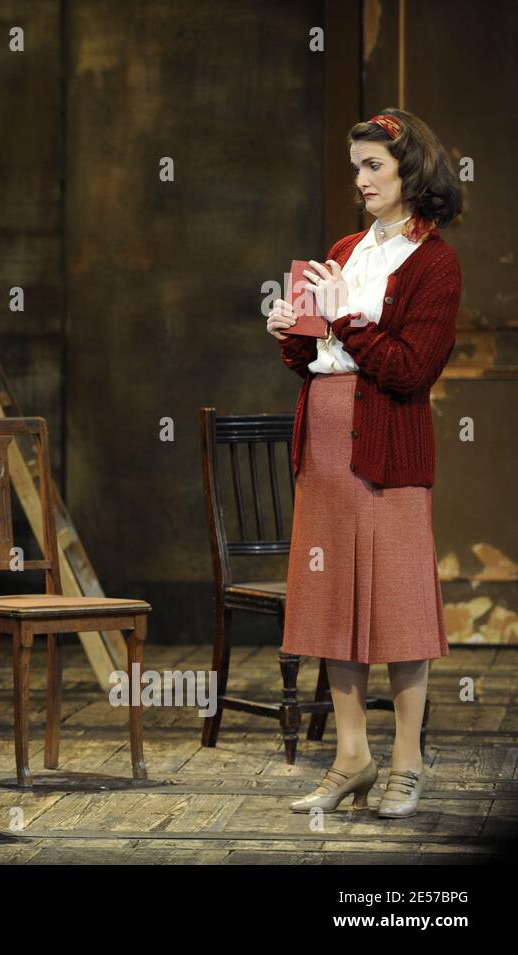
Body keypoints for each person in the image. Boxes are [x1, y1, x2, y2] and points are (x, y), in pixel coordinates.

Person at [266, 109, 464, 819]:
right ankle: (352, 757)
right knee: (332, 600)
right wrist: (294, 334)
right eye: (356, 167)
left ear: (410, 170)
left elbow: (410, 369)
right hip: (324, 442)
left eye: (372, 165)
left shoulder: (434, 261)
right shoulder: (346, 248)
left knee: (399, 603)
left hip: (388, 444)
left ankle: (407, 760)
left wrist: (347, 316)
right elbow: (320, 357)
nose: (361, 179)